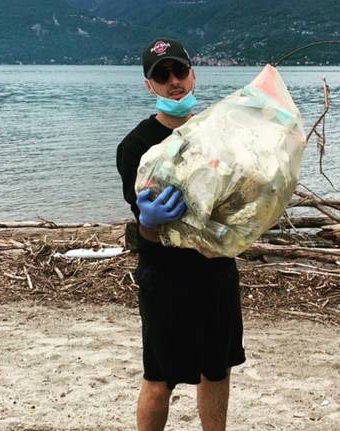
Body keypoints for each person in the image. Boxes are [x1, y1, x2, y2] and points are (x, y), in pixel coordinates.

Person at [115, 38, 246, 431]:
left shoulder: (216, 135)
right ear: (148, 85)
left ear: (193, 74)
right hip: (165, 278)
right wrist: (150, 221)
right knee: (159, 378)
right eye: (161, 75)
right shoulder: (135, 147)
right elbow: (147, 234)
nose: (174, 81)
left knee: (217, 371)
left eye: (179, 71)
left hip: (216, 270)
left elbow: (238, 203)